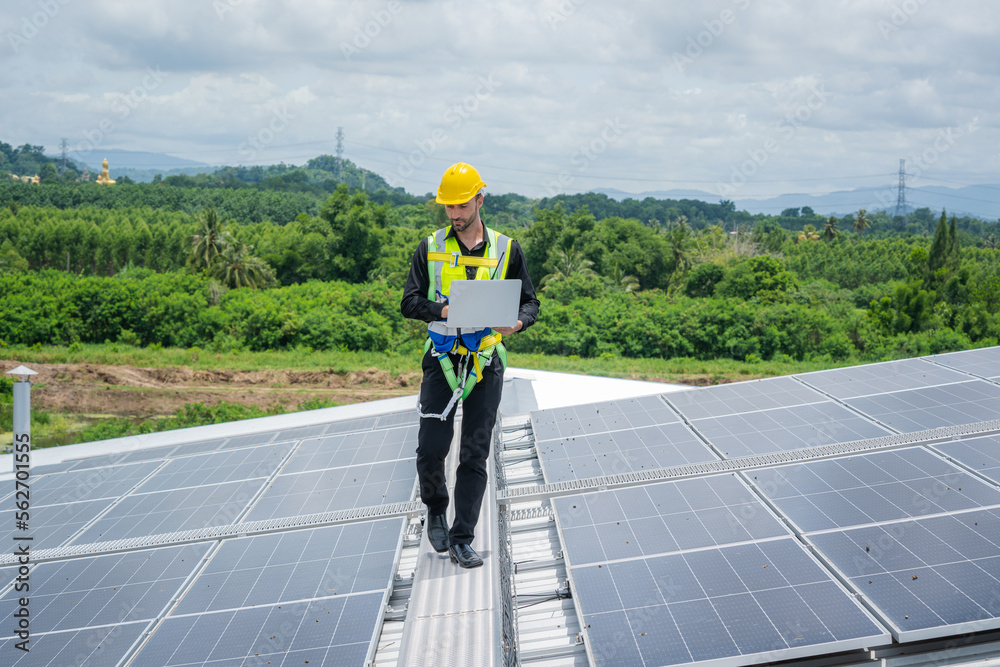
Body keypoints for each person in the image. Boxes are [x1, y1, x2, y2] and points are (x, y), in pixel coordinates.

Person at [400, 162, 539, 568]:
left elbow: (530, 302)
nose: (456, 215)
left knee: (473, 453)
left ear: (480, 199)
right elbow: (409, 302)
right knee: (430, 449)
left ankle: (463, 537)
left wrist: (517, 322)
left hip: (484, 361)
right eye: (449, 208)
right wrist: (442, 308)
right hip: (442, 358)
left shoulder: (507, 249)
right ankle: (436, 508)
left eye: (462, 206)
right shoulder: (429, 247)